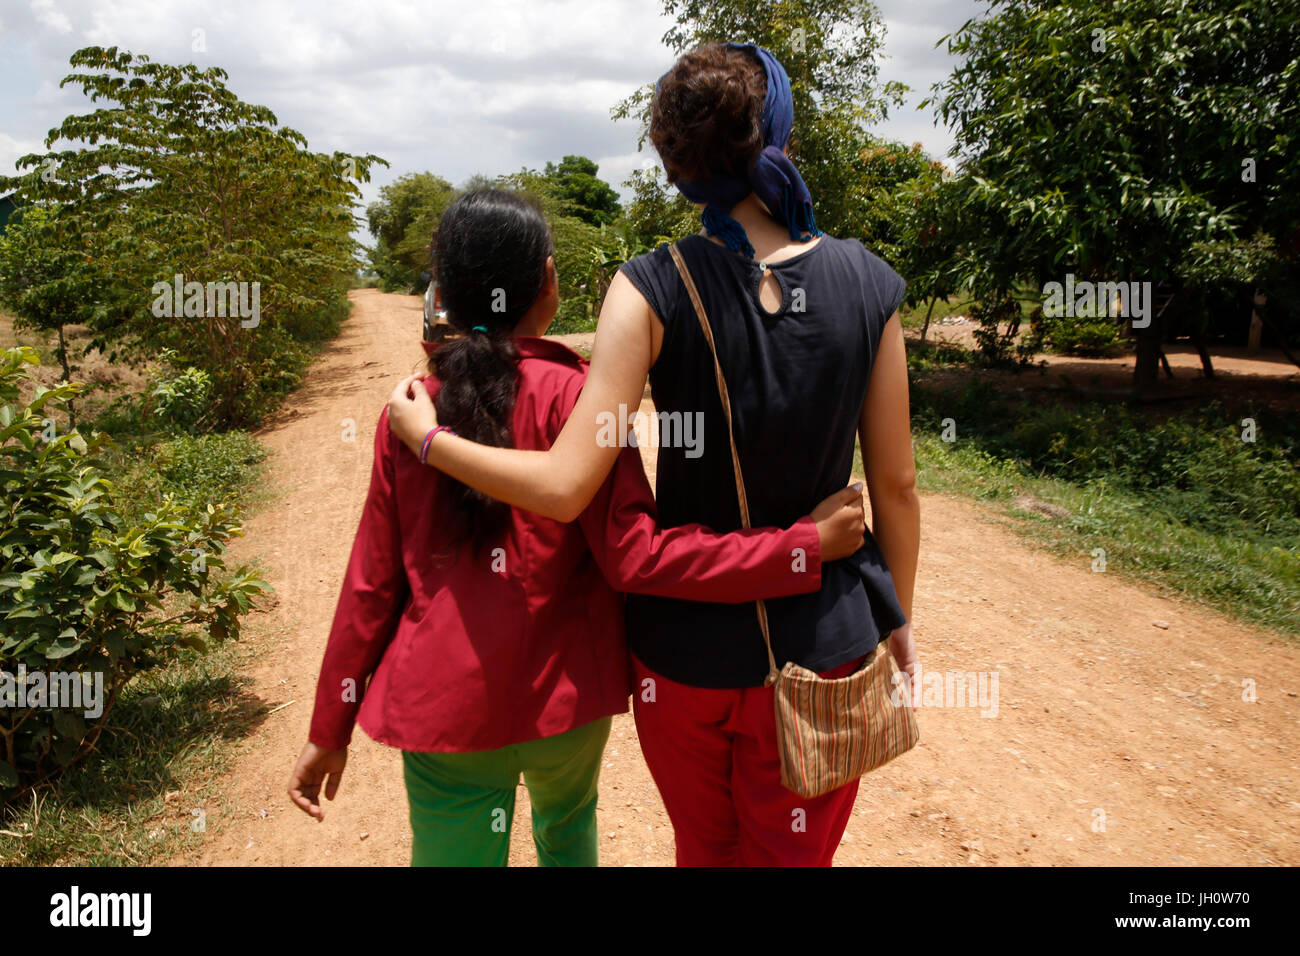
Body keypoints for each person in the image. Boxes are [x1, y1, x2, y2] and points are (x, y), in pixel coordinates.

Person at [386, 43, 921, 866]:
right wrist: (899, 621)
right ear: (778, 134)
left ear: (678, 164)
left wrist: (429, 440)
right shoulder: (871, 283)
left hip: (684, 659)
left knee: (702, 852)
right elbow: (896, 485)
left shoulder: (647, 285)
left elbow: (566, 485)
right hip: (828, 646)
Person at [287, 188, 870, 867]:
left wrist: (331, 726)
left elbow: (370, 581)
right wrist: (802, 547)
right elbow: (637, 559)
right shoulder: (578, 397)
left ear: (444, 293)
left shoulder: (414, 409)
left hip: (446, 711)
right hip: (564, 709)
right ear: (548, 284)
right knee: (567, 835)